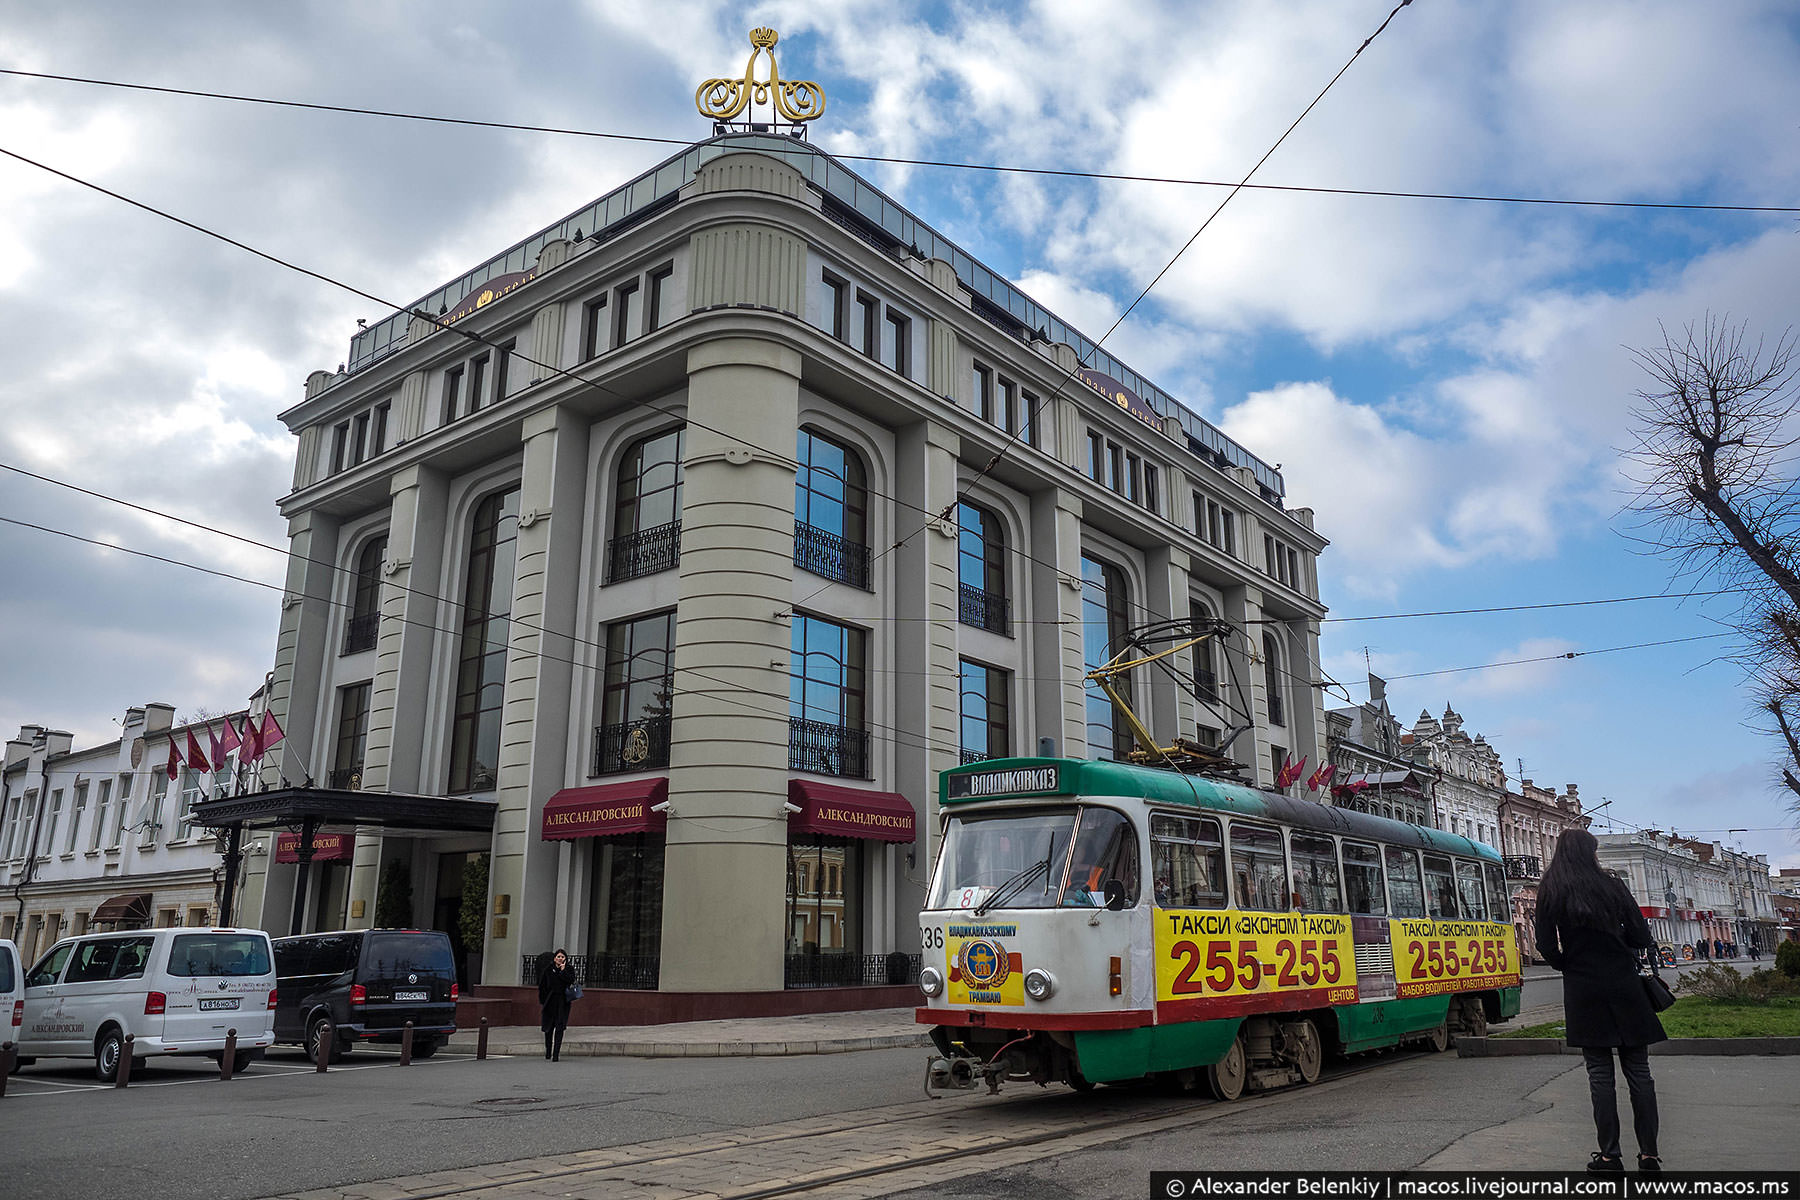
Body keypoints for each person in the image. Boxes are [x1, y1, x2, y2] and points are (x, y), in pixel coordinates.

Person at [1535, 828, 1665, 1173]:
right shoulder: (1612, 885)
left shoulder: (1551, 889)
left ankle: (1610, 1156)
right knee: (1640, 1072)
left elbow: (1546, 946)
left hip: (1584, 991)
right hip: (1625, 986)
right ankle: (1649, 1156)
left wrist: (1570, 964)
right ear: (1592, 853)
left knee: (1599, 1075)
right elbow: (1640, 935)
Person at [536, 948, 578, 1062]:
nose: (560, 959)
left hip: (562, 1002)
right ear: (554, 958)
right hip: (550, 1001)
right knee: (548, 1028)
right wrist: (543, 1001)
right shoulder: (548, 970)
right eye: (558, 957)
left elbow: (571, 981)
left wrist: (563, 971)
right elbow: (543, 986)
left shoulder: (569, 969)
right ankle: (548, 1051)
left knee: (560, 1027)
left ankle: (556, 1054)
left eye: (562, 957)